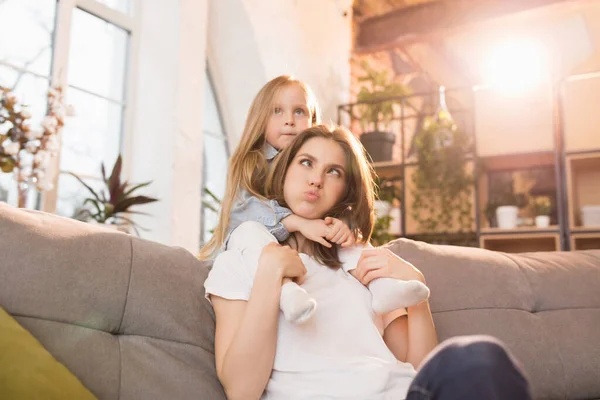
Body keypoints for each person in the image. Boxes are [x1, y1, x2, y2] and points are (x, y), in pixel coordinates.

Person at [204, 125, 532, 400]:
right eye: (306, 162)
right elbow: (241, 390)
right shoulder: (241, 260)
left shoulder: (360, 267)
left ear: (345, 192)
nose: (316, 179)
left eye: (332, 171)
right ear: (284, 169)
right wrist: (271, 271)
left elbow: (417, 367)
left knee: (480, 359)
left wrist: (417, 292)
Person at [200, 76, 427, 324]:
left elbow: (333, 202)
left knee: (349, 244)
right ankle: (287, 292)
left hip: (305, 250)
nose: (289, 120)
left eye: (299, 111)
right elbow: (243, 216)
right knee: (249, 232)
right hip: (255, 251)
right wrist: (298, 222)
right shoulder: (253, 162)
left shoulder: (314, 161)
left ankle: (382, 287)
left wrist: (343, 223)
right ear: (260, 119)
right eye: (277, 111)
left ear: (312, 121)